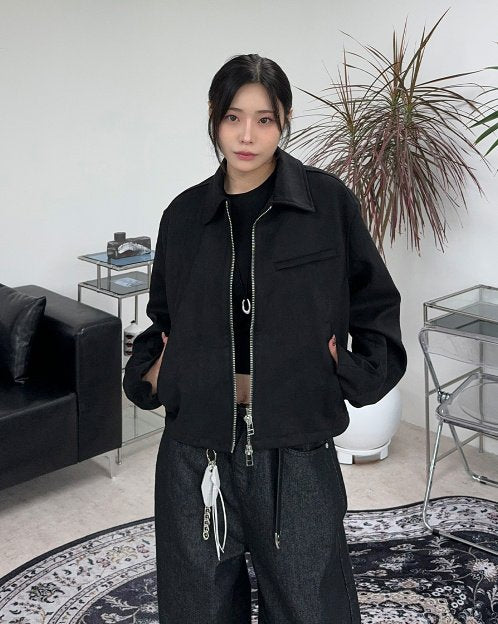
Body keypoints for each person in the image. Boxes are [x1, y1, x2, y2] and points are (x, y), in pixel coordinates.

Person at [123, 53, 407, 624]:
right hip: (196, 448)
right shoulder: (184, 216)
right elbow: (163, 317)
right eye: (233, 117)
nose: (247, 136)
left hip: (297, 446)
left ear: (285, 120)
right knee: (198, 609)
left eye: (264, 119)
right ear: (213, 117)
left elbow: (376, 304)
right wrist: (156, 373)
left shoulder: (327, 204)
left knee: (311, 606)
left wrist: (348, 371)